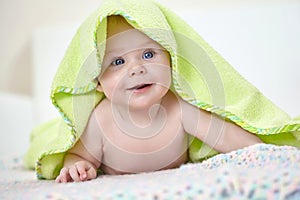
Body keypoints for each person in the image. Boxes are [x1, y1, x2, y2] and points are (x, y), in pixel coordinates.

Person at [55, 15, 262, 183]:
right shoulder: (100, 120)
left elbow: (224, 135)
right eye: (117, 61)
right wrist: (78, 167)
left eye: (148, 54)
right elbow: (79, 156)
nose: (136, 69)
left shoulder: (179, 108)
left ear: (171, 60)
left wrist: (262, 150)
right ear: (97, 81)